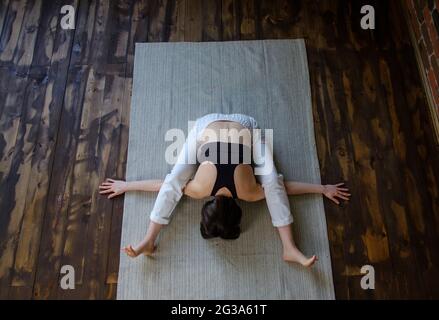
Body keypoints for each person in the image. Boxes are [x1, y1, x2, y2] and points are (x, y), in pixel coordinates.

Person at [100, 114, 350, 268]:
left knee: (273, 183)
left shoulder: (249, 192)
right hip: (207, 124)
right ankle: (148, 240)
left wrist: (322, 188)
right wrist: (126, 185)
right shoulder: (200, 190)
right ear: (207, 209)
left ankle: (289, 247)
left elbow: (285, 188)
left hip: (243, 124)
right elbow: (162, 185)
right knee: (174, 180)